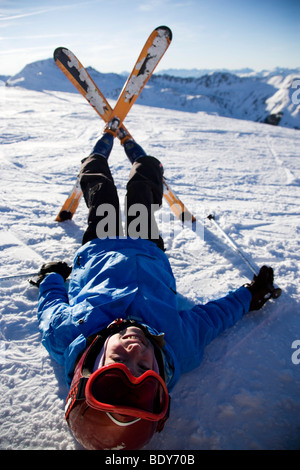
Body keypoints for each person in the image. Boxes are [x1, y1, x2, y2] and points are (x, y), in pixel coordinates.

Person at [34, 127, 277, 450]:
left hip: (101, 246)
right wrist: (251, 296)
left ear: (88, 369)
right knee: (140, 192)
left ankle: (95, 159)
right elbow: (214, 318)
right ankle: (148, 167)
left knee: (102, 191)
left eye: (119, 364)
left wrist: (52, 276)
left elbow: (50, 305)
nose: (136, 351)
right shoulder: (177, 344)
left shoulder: (68, 336)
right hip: (147, 248)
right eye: (145, 369)